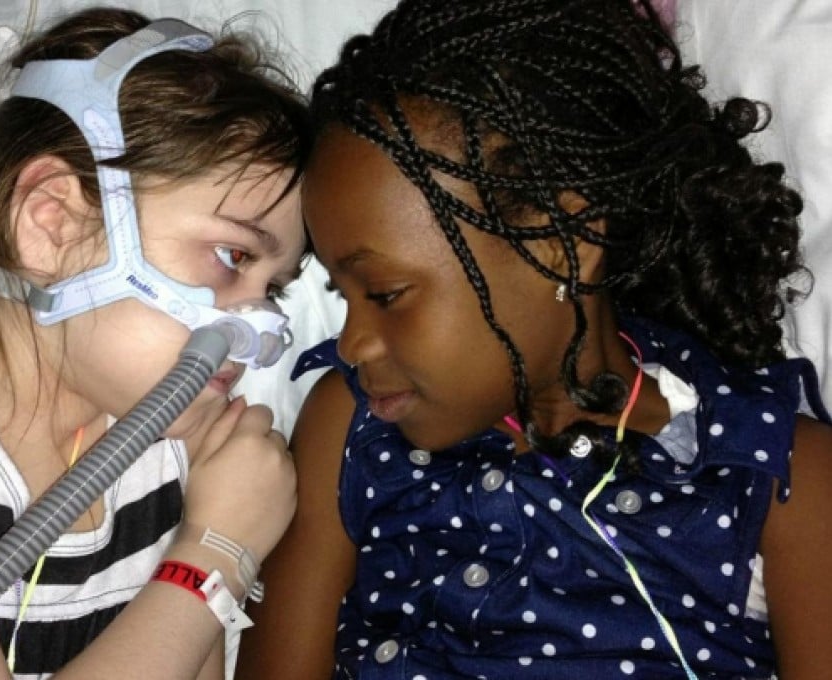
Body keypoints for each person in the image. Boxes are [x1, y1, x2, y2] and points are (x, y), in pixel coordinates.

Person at [236, 0, 832, 678]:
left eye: (386, 295)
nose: (352, 344)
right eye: (343, 299)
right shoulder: (351, 429)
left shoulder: (772, 471)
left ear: (565, 244)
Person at [0, 7, 311, 679]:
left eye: (274, 287)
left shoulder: (181, 465)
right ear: (52, 225)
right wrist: (215, 557)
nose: (262, 331)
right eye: (232, 255)